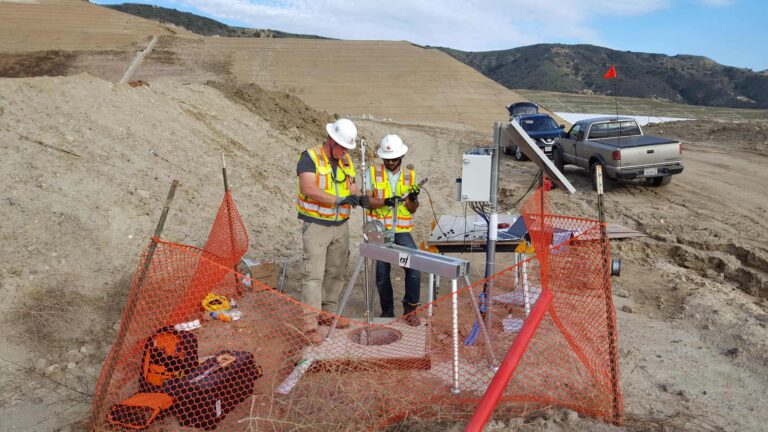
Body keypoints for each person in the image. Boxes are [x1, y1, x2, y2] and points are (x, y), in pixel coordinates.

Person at [296, 118, 370, 342]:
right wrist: (339, 200)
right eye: (342, 147)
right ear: (330, 140)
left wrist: (358, 197)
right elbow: (308, 188)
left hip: (340, 226)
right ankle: (309, 325)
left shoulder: (345, 160)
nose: (345, 151)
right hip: (317, 225)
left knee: (336, 272)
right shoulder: (310, 157)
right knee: (313, 275)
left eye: (347, 148)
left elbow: (352, 187)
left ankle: (328, 314)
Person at [364, 134, 422, 326]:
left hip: (401, 231)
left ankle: (410, 310)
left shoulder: (410, 176)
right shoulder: (372, 173)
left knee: (414, 267)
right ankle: (387, 310)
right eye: (387, 159)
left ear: (401, 157)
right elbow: (367, 201)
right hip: (379, 230)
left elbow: (412, 209)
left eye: (394, 159)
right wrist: (385, 201)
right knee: (382, 273)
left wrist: (413, 198)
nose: (390, 162)